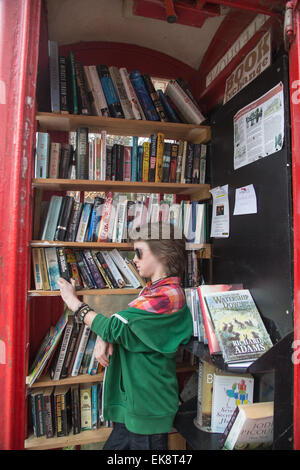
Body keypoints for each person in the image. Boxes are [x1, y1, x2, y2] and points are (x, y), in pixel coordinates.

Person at [57, 222, 193, 450]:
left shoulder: (166, 296)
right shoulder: (153, 290)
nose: (134, 259)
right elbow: (124, 322)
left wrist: (73, 302)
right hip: (136, 403)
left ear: (161, 252)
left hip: (148, 409)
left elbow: (116, 327)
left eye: (139, 252)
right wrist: (105, 335)